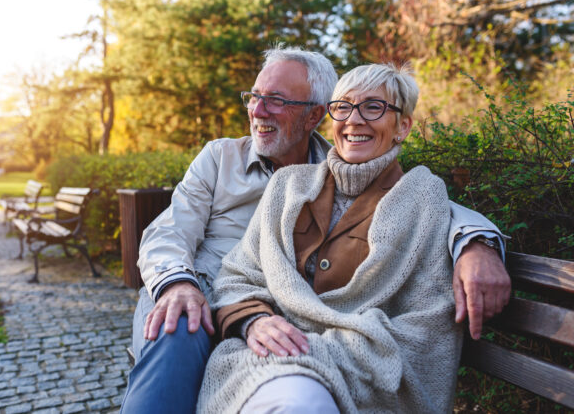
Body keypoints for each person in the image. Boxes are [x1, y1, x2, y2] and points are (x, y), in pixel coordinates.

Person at [120, 47, 509, 413]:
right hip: (199, 294)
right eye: (254, 96)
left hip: (275, 325)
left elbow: (423, 202)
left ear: (314, 116)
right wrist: (178, 285)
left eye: (276, 100)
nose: (258, 110)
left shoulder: (338, 165)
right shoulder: (223, 158)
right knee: (176, 327)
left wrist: (478, 244)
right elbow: (168, 233)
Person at [198, 62, 463, 413]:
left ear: (403, 126)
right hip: (261, 361)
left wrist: (313, 350)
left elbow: (428, 323)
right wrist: (255, 320)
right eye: (343, 107)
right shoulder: (287, 185)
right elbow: (238, 275)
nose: (354, 119)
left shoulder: (423, 197)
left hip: (359, 372)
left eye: (374, 107)